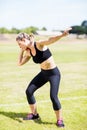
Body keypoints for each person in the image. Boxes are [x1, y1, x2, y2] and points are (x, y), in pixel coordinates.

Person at [16, 28, 71, 127]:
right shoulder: (29, 52)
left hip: (54, 74)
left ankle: (60, 120)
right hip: (43, 74)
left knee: (53, 97)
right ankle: (34, 114)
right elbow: (19, 63)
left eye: (19, 44)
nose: (19, 46)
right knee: (29, 91)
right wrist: (21, 50)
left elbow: (51, 40)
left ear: (24, 40)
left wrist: (62, 35)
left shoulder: (39, 44)